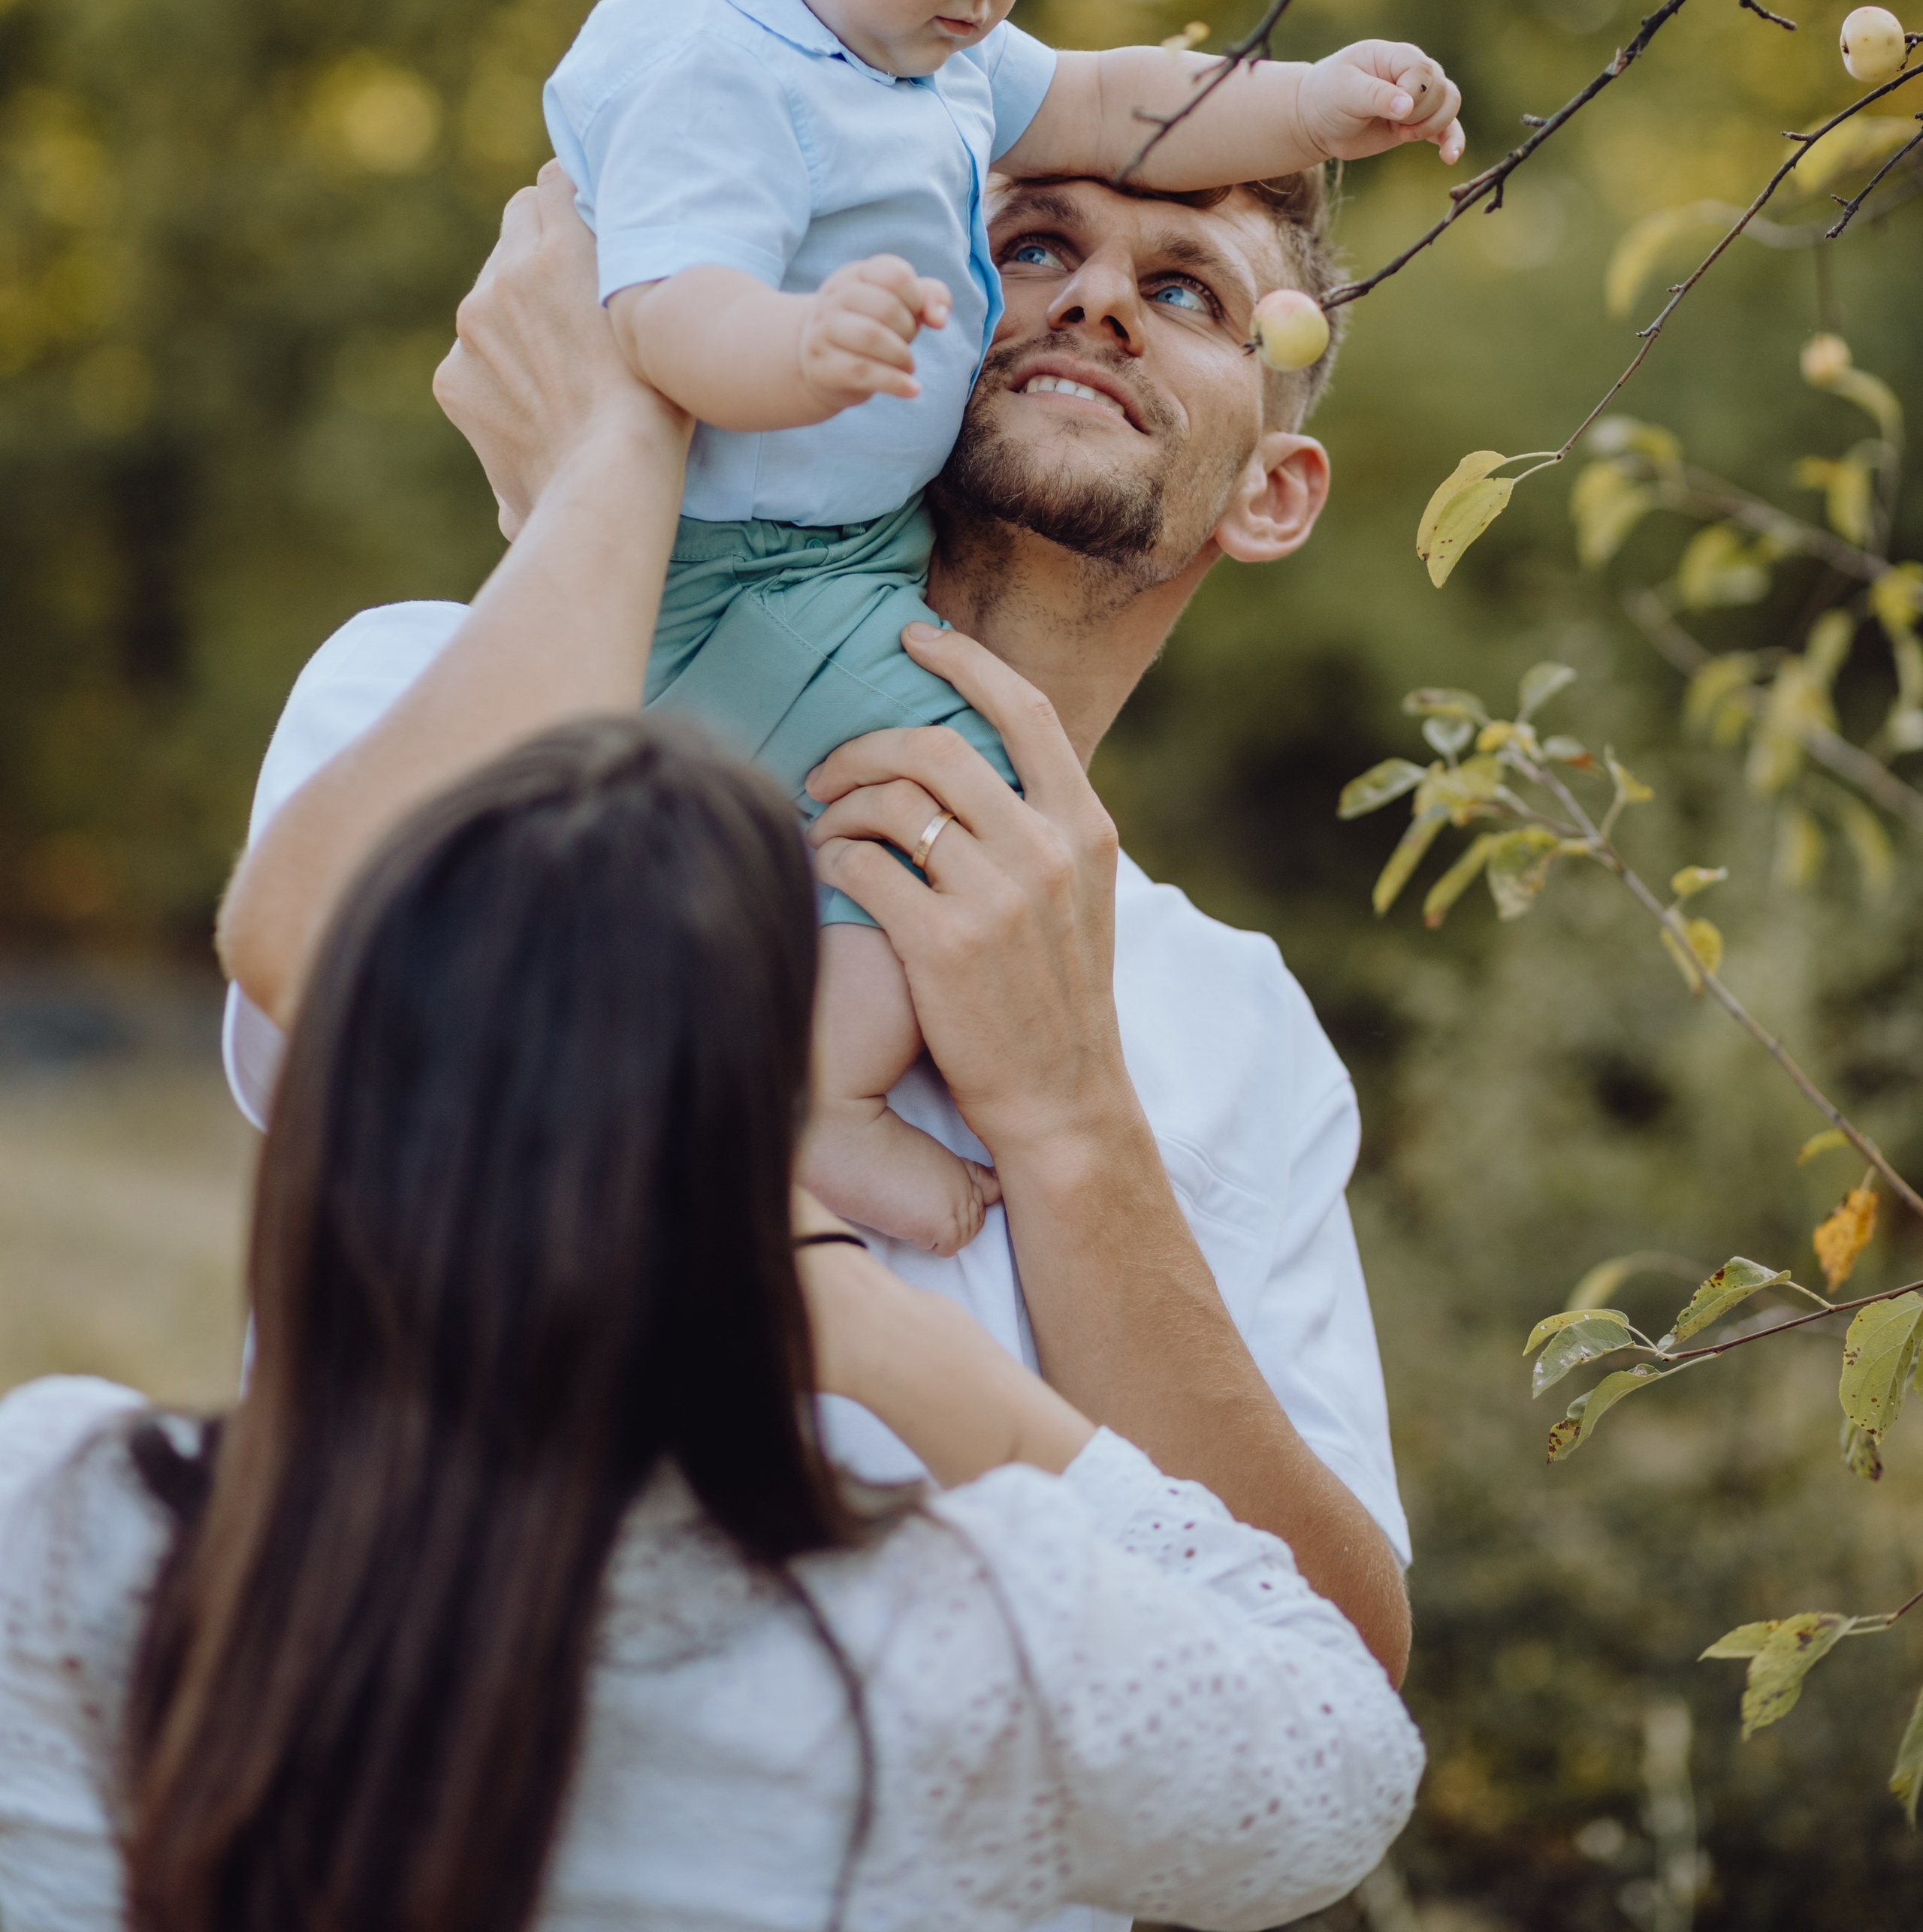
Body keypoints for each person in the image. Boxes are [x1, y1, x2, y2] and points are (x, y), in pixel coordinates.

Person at [219, 157, 1419, 1752]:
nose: (1096, 298)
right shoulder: (436, 687)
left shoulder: (1239, 1023)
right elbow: (375, 1026)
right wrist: (614, 444)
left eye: (1185, 287)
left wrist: (1069, 1122)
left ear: (1272, 489)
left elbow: (1323, 1680)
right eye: (1031, 245)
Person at [0, 702, 1423, 1932]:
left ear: (332, 1122)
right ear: (748, 1155)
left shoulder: (55, 1529)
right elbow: (1339, 1760)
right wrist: (870, 1316)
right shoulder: (939, 1654)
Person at [545, 0, 1464, 1254]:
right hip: (729, 568)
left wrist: (1316, 104)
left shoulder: (916, 52)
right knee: (966, 792)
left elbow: (1119, 102)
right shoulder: (711, 66)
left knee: (951, 800)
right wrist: (794, 349)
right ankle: (810, 1103)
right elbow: (659, 312)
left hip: (806, 566)